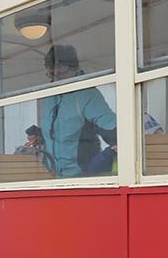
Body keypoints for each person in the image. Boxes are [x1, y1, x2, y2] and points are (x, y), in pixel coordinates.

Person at [40, 44, 117, 177]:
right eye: (51, 73)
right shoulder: (49, 95)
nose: (55, 78)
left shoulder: (86, 93)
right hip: (51, 174)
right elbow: (56, 130)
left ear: (75, 68)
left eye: (60, 73)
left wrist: (122, 141)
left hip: (80, 173)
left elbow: (108, 125)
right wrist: (40, 134)